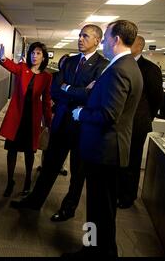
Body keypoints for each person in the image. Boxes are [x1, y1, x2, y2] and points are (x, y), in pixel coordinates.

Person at [11, 25, 108, 223]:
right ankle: (35, 201)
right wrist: (78, 90)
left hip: (83, 127)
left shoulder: (103, 66)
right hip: (62, 123)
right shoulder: (70, 61)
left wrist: (68, 88)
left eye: (85, 36)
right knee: (49, 167)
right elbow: (55, 90)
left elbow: (92, 96)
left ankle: (68, 208)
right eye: (80, 35)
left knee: (77, 173)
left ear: (97, 40)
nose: (80, 39)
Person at [68, 20, 143, 257]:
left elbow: (108, 115)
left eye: (106, 37)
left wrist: (81, 113)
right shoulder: (129, 66)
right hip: (110, 151)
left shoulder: (119, 69)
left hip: (104, 151)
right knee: (103, 211)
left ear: (116, 40)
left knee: (99, 209)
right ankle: (101, 251)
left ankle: (94, 252)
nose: (103, 42)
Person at [0, 42, 52, 197]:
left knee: (30, 153)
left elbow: (47, 100)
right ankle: (10, 181)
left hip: (32, 119)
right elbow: (11, 67)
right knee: (12, 151)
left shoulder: (47, 77)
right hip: (17, 117)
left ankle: (28, 181)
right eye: (32, 53)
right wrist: (3, 58)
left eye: (38, 53)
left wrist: (48, 122)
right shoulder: (22, 68)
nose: (34, 56)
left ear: (43, 57)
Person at [117, 36, 164, 208]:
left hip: (137, 123)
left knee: (132, 161)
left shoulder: (150, 69)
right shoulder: (121, 64)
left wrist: (146, 117)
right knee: (120, 159)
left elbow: (157, 98)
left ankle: (128, 196)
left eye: (131, 43)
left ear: (140, 46)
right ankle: (118, 190)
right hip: (120, 123)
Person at [37, 54, 69, 175]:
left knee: (62, 141)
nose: (65, 64)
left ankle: (61, 166)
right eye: (63, 62)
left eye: (67, 62)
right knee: (47, 139)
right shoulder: (53, 76)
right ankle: (44, 164)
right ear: (60, 63)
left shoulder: (72, 78)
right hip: (50, 111)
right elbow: (46, 92)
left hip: (64, 113)